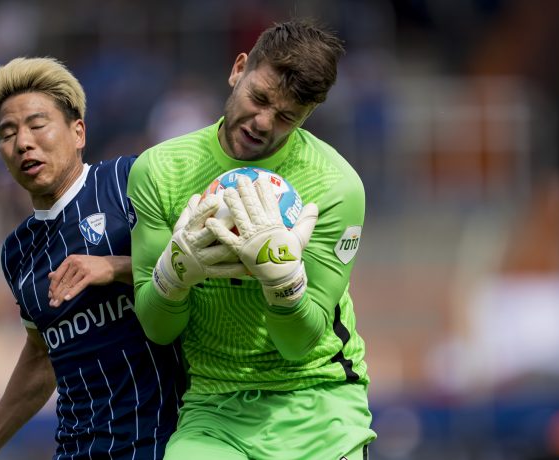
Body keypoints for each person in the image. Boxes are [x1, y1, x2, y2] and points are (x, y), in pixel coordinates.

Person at [127, 18, 376, 460]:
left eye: (286, 117)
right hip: (213, 407)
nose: (262, 123)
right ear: (238, 68)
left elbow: (298, 343)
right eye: (258, 98)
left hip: (318, 400)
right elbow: (157, 328)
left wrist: (283, 282)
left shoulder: (337, 187)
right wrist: (173, 275)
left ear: (307, 117)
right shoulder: (160, 171)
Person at [0, 57, 184, 460]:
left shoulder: (128, 183)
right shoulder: (17, 252)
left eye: (37, 125)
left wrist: (116, 267)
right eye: (8, 133)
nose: (23, 143)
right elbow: (41, 355)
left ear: (78, 131)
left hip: (163, 441)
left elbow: (199, 266)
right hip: (76, 448)